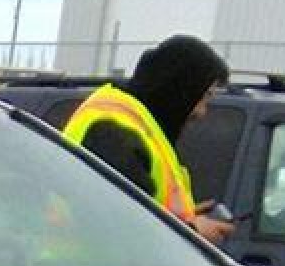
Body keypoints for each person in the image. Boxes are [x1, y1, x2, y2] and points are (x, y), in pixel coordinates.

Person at [63, 34, 234, 244]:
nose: (201, 112)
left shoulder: (134, 124)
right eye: (204, 96)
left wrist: (183, 219)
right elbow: (120, 226)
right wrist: (193, 231)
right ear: (181, 90)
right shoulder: (113, 131)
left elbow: (134, 211)